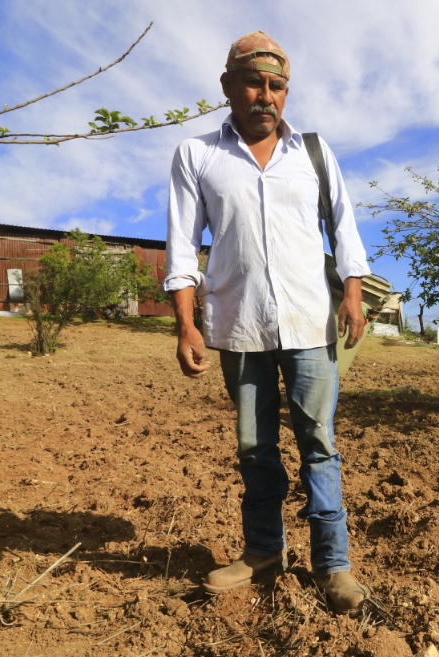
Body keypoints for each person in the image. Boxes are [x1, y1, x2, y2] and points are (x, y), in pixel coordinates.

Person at [161, 31, 372, 614]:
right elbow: (183, 249)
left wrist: (352, 293)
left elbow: (345, 228)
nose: (265, 95)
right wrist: (186, 325)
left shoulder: (313, 153)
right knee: (255, 448)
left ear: (286, 92)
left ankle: (334, 566)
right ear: (228, 85)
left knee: (320, 445)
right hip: (239, 328)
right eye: (253, 83)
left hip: (310, 323)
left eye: (276, 85)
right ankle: (263, 554)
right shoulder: (197, 155)